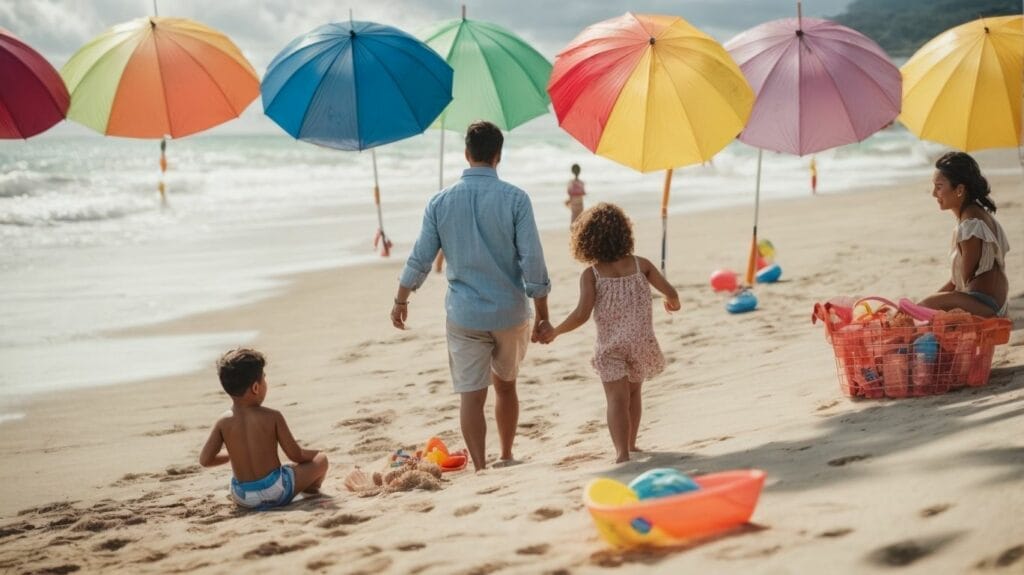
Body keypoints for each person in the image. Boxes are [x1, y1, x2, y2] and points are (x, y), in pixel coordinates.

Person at [391, 121, 551, 471]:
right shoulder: (516, 199)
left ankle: (480, 466)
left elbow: (420, 257)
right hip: (510, 313)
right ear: (498, 156)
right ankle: (506, 455)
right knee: (506, 387)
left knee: (471, 397)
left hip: (465, 316)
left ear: (466, 154)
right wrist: (542, 312)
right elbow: (532, 260)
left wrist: (402, 297)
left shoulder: (440, 202)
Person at [540, 203, 680, 463]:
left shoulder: (592, 275)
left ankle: (621, 453)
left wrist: (557, 331)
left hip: (611, 346)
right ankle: (632, 443)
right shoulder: (641, 265)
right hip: (640, 341)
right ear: (625, 234)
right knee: (634, 394)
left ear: (587, 240)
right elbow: (671, 293)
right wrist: (672, 303)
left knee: (616, 399)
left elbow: (582, 314)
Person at [199, 348, 329, 509]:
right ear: (256, 387)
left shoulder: (223, 421)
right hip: (275, 492)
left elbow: (205, 460)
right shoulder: (273, 416)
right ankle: (311, 489)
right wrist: (316, 453)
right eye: (264, 379)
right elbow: (296, 454)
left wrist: (234, 453)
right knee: (321, 461)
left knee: (284, 471)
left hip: (242, 497)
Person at [919, 152, 1009, 317]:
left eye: (939, 187)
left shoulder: (970, 225)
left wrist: (926, 305)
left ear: (959, 189)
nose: (934, 194)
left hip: (985, 305)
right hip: (986, 301)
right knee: (922, 307)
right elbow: (955, 283)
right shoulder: (976, 214)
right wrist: (927, 303)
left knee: (923, 308)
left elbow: (964, 279)